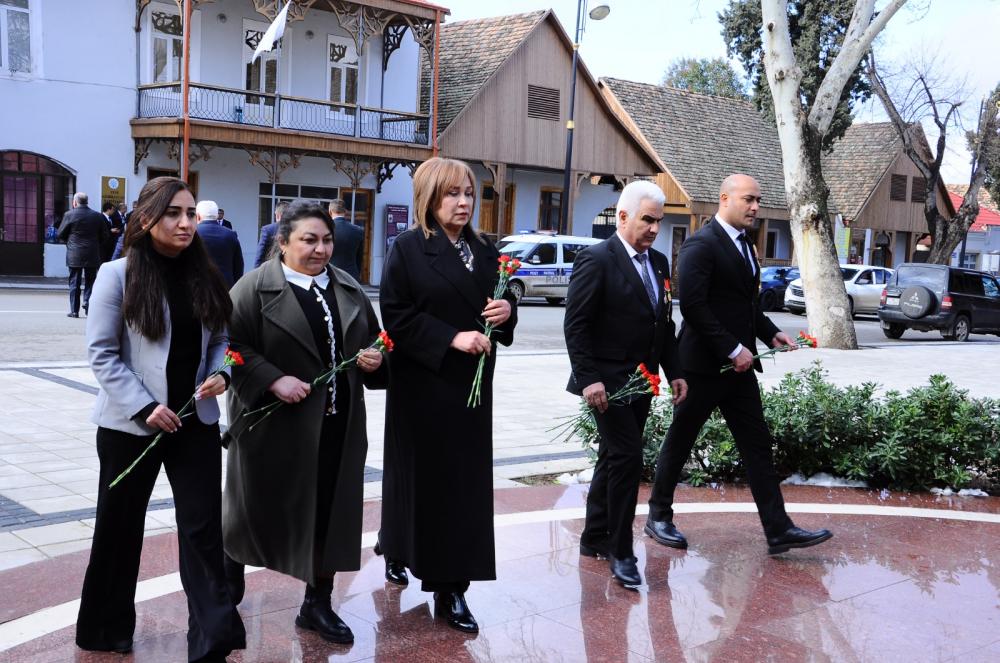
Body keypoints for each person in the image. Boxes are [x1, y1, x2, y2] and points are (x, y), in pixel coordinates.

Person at [76, 176, 245, 662]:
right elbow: (102, 354)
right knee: (119, 526)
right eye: (174, 213)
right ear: (147, 218)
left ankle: (212, 635)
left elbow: (222, 342)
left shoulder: (206, 276)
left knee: (202, 526)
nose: (185, 223)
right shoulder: (117, 275)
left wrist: (222, 374)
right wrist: (145, 406)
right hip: (131, 425)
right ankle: (105, 628)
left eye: (190, 213)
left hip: (194, 421)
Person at [222, 200, 386, 645]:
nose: (321, 249)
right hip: (271, 428)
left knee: (329, 514)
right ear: (283, 242)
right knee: (252, 510)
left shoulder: (347, 287)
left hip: (335, 426)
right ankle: (226, 586)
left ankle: (317, 603)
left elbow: (376, 341)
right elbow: (229, 347)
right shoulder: (252, 289)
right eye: (309, 240)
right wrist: (272, 379)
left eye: (327, 240)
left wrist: (375, 358)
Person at [645, 174, 833, 555]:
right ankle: (658, 516)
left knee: (758, 446)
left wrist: (771, 333)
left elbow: (745, 305)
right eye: (748, 199)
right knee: (680, 442)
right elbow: (694, 307)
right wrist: (733, 349)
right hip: (701, 368)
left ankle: (778, 529)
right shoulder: (701, 245)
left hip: (739, 371)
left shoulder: (746, 244)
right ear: (725, 199)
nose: (755, 207)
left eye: (758, 200)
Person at [378, 157, 517, 633]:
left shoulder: (484, 248)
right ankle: (407, 554)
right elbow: (396, 316)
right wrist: (450, 337)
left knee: (464, 487)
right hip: (425, 385)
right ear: (429, 197)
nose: (463, 202)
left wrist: (507, 310)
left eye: (469, 193)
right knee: (421, 481)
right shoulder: (408, 249)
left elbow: (501, 306)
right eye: (452, 193)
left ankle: (452, 585)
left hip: (472, 389)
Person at [563, 180, 688, 589]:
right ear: (622, 216)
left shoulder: (658, 264)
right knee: (628, 458)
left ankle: (593, 536)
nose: (654, 228)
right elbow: (576, 325)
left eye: (659, 221)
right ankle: (620, 550)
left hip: (641, 382)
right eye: (647, 219)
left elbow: (662, 325)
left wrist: (675, 371)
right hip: (607, 385)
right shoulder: (596, 259)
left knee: (613, 458)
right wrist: (589, 379)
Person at [58, 192, 108, 318]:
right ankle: (87, 303)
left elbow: (60, 234)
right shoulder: (97, 216)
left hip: (74, 254)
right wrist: (95, 244)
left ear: (75, 202)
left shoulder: (69, 214)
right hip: (92, 252)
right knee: (91, 281)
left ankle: (74, 311)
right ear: (87, 201)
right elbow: (105, 235)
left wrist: (69, 242)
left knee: (74, 282)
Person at [195, 200, 244, 287]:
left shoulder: (192, 234)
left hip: (198, 286)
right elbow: (238, 266)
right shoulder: (231, 235)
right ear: (217, 216)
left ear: (198, 216)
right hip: (225, 286)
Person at [329, 199, 365, 280]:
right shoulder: (358, 230)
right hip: (351, 276)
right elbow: (359, 257)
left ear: (330, 212)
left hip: (330, 275)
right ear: (345, 211)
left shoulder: (326, 229)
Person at [254, 201, 286, 268]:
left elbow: (260, 253)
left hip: (270, 268)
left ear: (277, 215)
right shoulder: (296, 230)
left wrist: (256, 270)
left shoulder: (268, 229)